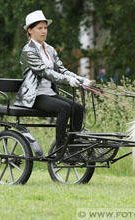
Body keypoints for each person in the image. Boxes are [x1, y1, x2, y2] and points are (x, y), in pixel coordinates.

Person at [14, 10, 91, 148]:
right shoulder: (28, 51)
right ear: (30, 30)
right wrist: (67, 81)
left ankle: (73, 146)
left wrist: (79, 78)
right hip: (35, 96)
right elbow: (45, 72)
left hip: (49, 93)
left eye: (45, 28)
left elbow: (61, 69)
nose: (44, 31)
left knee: (78, 108)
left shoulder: (49, 49)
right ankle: (61, 147)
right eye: (39, 28)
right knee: (64, 108)